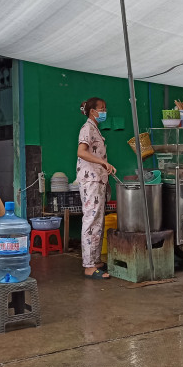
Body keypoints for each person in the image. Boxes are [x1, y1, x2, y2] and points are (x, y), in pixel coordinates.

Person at [76, 97, 116, 279]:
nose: (104, 111)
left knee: (97, 220)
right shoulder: (87, 128)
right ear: (93, 111)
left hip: (97, 179)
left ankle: (96, 260)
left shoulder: (95, 129)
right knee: (91, 221)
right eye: (102, 108)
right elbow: (81, 152)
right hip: (90, 180)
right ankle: (89, 266)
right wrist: (102, 162)